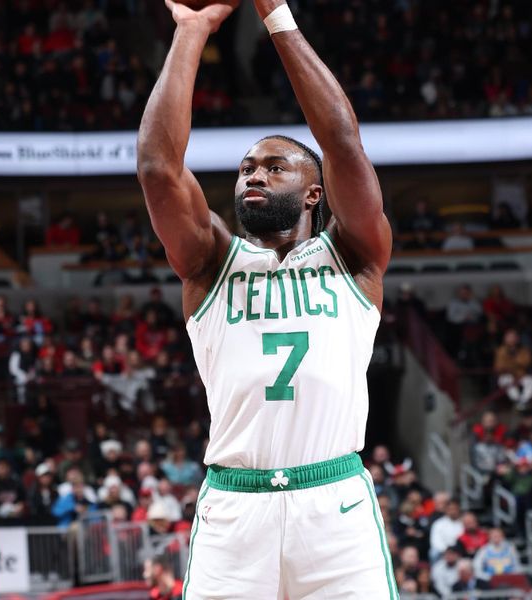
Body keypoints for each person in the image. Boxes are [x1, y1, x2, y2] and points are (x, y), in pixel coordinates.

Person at [137, 0, 394, 597]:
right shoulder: (209, 262)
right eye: (247, 167)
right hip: (234, 508)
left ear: (313, 194)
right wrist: (191, 32)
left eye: (275, 167)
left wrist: (276, 14)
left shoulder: (354, 256)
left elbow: (344, 142)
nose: (253, 174)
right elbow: (157, 167)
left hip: (334, 506)